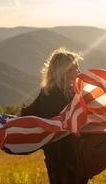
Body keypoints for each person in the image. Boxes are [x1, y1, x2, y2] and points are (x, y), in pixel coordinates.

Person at [20, 47, 89, 184]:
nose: (78, 71)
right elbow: (28, 114)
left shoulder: (76, 92)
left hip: (78, 156)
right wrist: (6, 124)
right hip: (59, 159)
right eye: (75, 68)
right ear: (65, 71)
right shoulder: (49, 94)